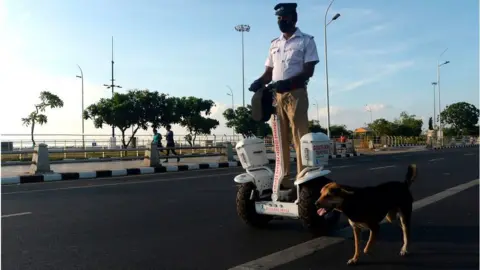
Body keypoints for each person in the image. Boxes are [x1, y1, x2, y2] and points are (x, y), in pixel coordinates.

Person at [249, 3, 320, 200]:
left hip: (295, 93)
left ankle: (302, 180)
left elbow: (309, 71)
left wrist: (288, 82)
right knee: (280, 140)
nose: (282, 21)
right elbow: (269, 73)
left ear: (294, 18)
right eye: (279, 18)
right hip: (276, 96)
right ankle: (285, 181)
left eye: (285, 17)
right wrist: (259, 82)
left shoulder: (306, 41)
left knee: (299, 138)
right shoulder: (274, 44)